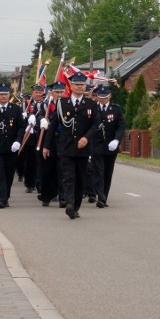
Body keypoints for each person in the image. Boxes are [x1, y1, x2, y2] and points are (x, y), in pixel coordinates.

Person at [44, 72, 100, 219]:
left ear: (85, 86)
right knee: (68, 177)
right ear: (71, 86)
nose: (79, 86)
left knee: (80, 179)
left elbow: (96, 124)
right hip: (66, 147)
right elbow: (54, 124)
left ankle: (75, 207)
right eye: (76, 84)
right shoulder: (62, 103)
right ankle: (69, 203)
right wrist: (46, 145)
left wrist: (87, 138)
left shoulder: (91, 104)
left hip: (83, 149)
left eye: (82, 84)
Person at [89, 85, 125, 207]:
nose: (103, 99)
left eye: (105, 97)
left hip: (111, 146)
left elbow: (120, 127)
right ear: (97, 97)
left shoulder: (116, 109)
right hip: (97, 145)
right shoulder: (93, 109)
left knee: (108, 172)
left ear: (110, 96)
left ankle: (104, 196)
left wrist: (116, 140)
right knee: (99, 171)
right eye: (100, 97)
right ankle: (101, 198)